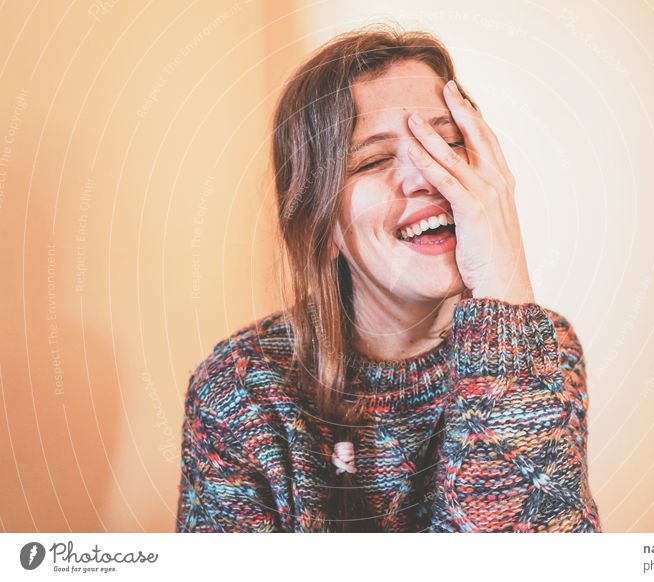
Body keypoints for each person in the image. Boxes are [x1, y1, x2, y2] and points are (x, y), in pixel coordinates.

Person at [175, 24, 602, 533]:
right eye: (374, 160)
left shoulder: (541, 349)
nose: (429, 175)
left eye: (448, 143)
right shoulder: (240, 391)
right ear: (320, 223)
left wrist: (505, 305)